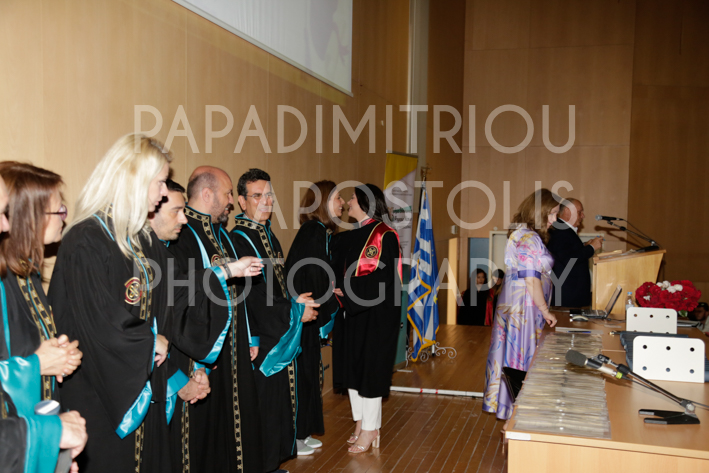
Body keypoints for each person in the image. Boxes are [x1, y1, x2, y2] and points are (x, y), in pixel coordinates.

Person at [49, 134, 262, 473]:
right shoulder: (86, 239)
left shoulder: (142, 240)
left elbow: (175, 293)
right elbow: (98, 322)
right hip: (103, 394)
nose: (163, 192)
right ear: (134, 178)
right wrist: (149, 342)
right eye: (160, 182)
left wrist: (226, 272)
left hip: (146, 385)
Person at [166, 167, 263, 473]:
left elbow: (240, 292)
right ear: (207, 194)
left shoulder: (222, 234)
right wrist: (199, 357)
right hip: (204, 350)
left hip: (234, 345)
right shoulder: (181, 236)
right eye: (228, 193)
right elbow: (181, 296)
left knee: (235, 419)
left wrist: (250, 335)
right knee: (206, 430)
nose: (232, 201)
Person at [230, 168, 318, 473]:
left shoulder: (267, 234)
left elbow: (278, 285)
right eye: (258, 196)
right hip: (261, 336)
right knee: (263, 406)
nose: (266, 201)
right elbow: (253, 296)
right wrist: (292, 310)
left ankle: (272, 465)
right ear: (242, 201)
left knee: (278, 404)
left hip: (277, 330)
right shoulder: (239, 240)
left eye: (269, 195)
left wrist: (296, 301)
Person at [0, 173, 87, 473]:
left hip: (35, 432)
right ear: (29, 217)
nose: (64, 217)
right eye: (58, 210)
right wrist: (38, 364)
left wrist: (59, 355)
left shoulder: (28, 271)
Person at [330, 184, 402, 454]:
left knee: (370, 370)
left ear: (363, 201)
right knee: (352, 369)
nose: (348, 202)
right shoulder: (350, 235)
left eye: (352, 197)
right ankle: (360, 422)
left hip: (376, 314)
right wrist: (337, 286)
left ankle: (371, 428)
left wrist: (348, 289)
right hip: (351, 311)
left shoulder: (384, 235)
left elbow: (384, 279)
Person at [482, 188, 559, 421]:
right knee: (520, 358)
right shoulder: (528, 238)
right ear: (539, 211)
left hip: (517, 304)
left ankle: (513, 411)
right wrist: (545, 310)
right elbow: (531, 279)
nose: (555, 219)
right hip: (524, 308)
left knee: (512, 357)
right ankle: (519, 413)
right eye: (552, 213)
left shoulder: (522, 233)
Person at [284, 180, 343, 455]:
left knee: (311, 375)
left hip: (309, 314)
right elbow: (313, 277)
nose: (342, 204)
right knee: (303, 377)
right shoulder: (312, 232)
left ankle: (304, 432)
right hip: (303, 316)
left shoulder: (320, 232)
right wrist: (330, 298)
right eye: (337, 198)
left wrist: (331, 291)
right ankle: (296, 437)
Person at [547, 198, 602, 307]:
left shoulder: (563, 230)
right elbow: (568, 259)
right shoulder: (560, 231)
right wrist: (591, 248)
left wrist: (584, 246)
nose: (583, 216)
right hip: (567, 298)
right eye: (580, 212)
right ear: (567, 211)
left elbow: (567, 252)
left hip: (570, 296)